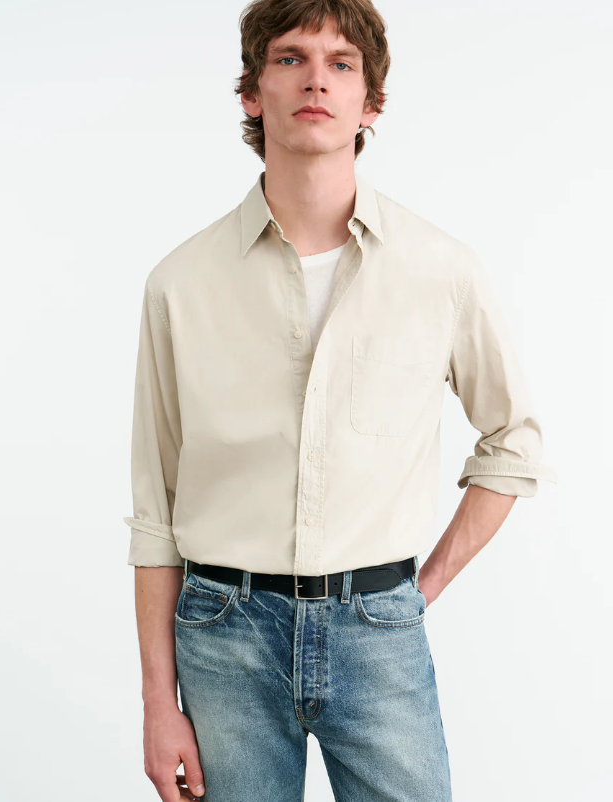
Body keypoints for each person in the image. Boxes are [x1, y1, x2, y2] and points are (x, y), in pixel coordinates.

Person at [123, 1, 558, 800]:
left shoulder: (439, 270)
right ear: (251, 93)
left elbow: (512, 439)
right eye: (289, 59)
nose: (315, 80)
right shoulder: (180, 284)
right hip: (223, 636)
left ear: (370, 102)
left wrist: (415, 594)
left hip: (378, 629)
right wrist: (159, 703)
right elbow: (156, 510)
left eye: (341, 63)